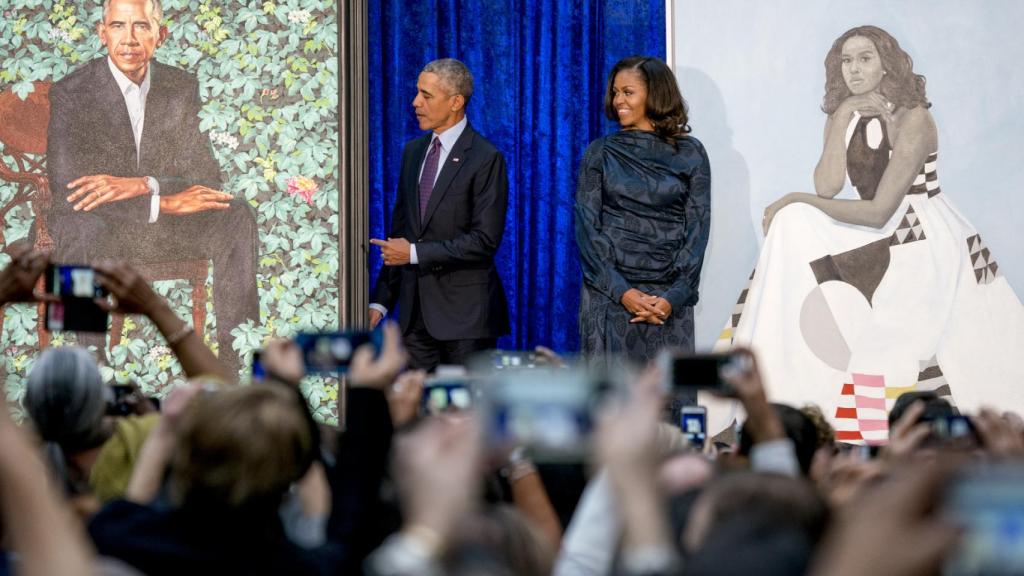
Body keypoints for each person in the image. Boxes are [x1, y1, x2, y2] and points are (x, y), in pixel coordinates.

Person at [717, 25, 1024, 441]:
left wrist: (795, 198)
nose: (854, 69)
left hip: (920, 233)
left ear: (886, 64)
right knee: (792, 225)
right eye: (846, 60)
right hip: (875, 230)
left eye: (865, 58)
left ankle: (871, 423)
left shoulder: (915, 118)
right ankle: (784, 384)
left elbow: (881, 211)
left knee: (804, 223)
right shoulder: (845, 114)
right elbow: (827, 187)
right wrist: (842, 115)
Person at [46, 0, 259, 374]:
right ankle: (89, 360)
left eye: (142, 26)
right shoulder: (71, 92)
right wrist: (163, 204)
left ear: (161, 35)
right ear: (102, 33)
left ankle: (233, 353)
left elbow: (205, 175)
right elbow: (69, 188)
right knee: (80, 228)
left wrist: (143, 184)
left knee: (235, 213)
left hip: (155, 230)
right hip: (96, 226)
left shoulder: (180, 86)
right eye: (118, 26)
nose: (129, 39)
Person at [369, 58, 510, 372]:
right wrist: (380, 302)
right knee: (420, 417)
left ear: (456, 102)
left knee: (462, 418)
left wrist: (415, 254)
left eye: (426, 95)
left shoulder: (486, 158)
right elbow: (400, 234)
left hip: (465, 322)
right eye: (417, 93)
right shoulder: (412, 152)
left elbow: (484, 241)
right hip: (414, 321)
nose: (415, 102)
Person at [574, 56, 711, 370]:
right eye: (615, 92)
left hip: (669, 303)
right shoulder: (600, 152)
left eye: (628, 92)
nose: (618, 100)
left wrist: (673, 297)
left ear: (655, 95)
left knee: (669, 408)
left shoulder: (691, 153)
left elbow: (698, 228)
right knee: (611, 410)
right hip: (610, 298)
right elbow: (586, 230)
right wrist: (623, 293)